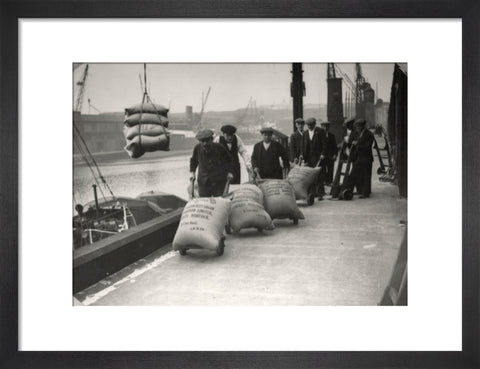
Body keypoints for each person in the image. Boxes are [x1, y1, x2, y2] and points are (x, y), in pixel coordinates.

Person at [189, 129, 234, 197]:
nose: (205, 143)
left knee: (219, 201)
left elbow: (229, 160)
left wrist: (230, 172)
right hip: (203, 182)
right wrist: (192, 173)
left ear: (212, 139)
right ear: (200, 141)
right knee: (204, 202)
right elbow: (193, 161)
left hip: (218, 182)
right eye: (202, 141)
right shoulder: (197, 148)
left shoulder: (219, 147)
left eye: (207, 141)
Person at [347, 119, 374, 198]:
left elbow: (367, 147)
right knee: (354, 174)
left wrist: (357, 144)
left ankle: (366, 193)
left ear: (363, 126)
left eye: (359, 126)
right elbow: (351, 142)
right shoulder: (357, 133)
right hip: (358, 158)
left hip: (366, 158)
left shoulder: (369, 134)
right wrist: (350, 143)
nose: (358, 128)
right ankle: (349, 191)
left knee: (366, 176)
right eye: (357, 127)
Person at [303, 117, 326, 200]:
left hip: (318, 157)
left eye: (311, 125)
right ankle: (312, 193)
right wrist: (303, 157)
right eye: (308, 125)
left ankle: (320, 194)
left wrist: (323, 154)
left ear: (314, 124)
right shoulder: (305, 133)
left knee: (319, 175)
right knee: (310, 176)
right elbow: (304, 146)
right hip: (309, 158)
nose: (309, 127)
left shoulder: (320, 131)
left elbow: (324, 144)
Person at [320, 121, 338, 186]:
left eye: (327, 126)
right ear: (321, 127)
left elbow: (335, 147)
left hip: (330, 156)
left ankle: (330, 182)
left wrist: (335, 155)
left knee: (330, 169)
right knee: (323, 169)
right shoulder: (319, 136)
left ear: (329, 127)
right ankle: (324, 182)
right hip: (323, 156)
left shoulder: (331, 136)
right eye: (324, 126)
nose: (325, 128)